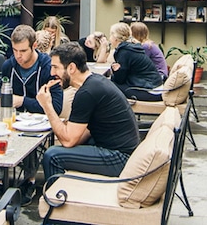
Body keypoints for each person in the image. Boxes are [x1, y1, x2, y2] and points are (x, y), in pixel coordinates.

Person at [37, 42, 140, 181]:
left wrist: (47, 106)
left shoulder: (87, 92)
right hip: (123, 151)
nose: (52, 73)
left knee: (52, 156)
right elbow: (82, 133)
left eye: (56, 67)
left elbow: (68, 141)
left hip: (120, 158)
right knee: (70, 146)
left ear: (71, 68)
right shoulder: (95, 82)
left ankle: (58, 194)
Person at [0, 25, 63, 205]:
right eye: (15, 50)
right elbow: (1, 89)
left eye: (23, 51)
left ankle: (29, 181)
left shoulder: (48, 68)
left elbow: (56, 106)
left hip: (38, 121)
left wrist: (22, 101)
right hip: (12, 118)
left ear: (34, 46)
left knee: (29, 135)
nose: (18, 55)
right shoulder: (9, 65)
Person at [108, 22, 163, 101]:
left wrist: (116, 71)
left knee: (108, 85)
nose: (109, 38)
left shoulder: (124, 52)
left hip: (150, 91)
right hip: (156, 88)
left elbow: (120, 79)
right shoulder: (131, 48)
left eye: (110, 35)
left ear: (115, 38)